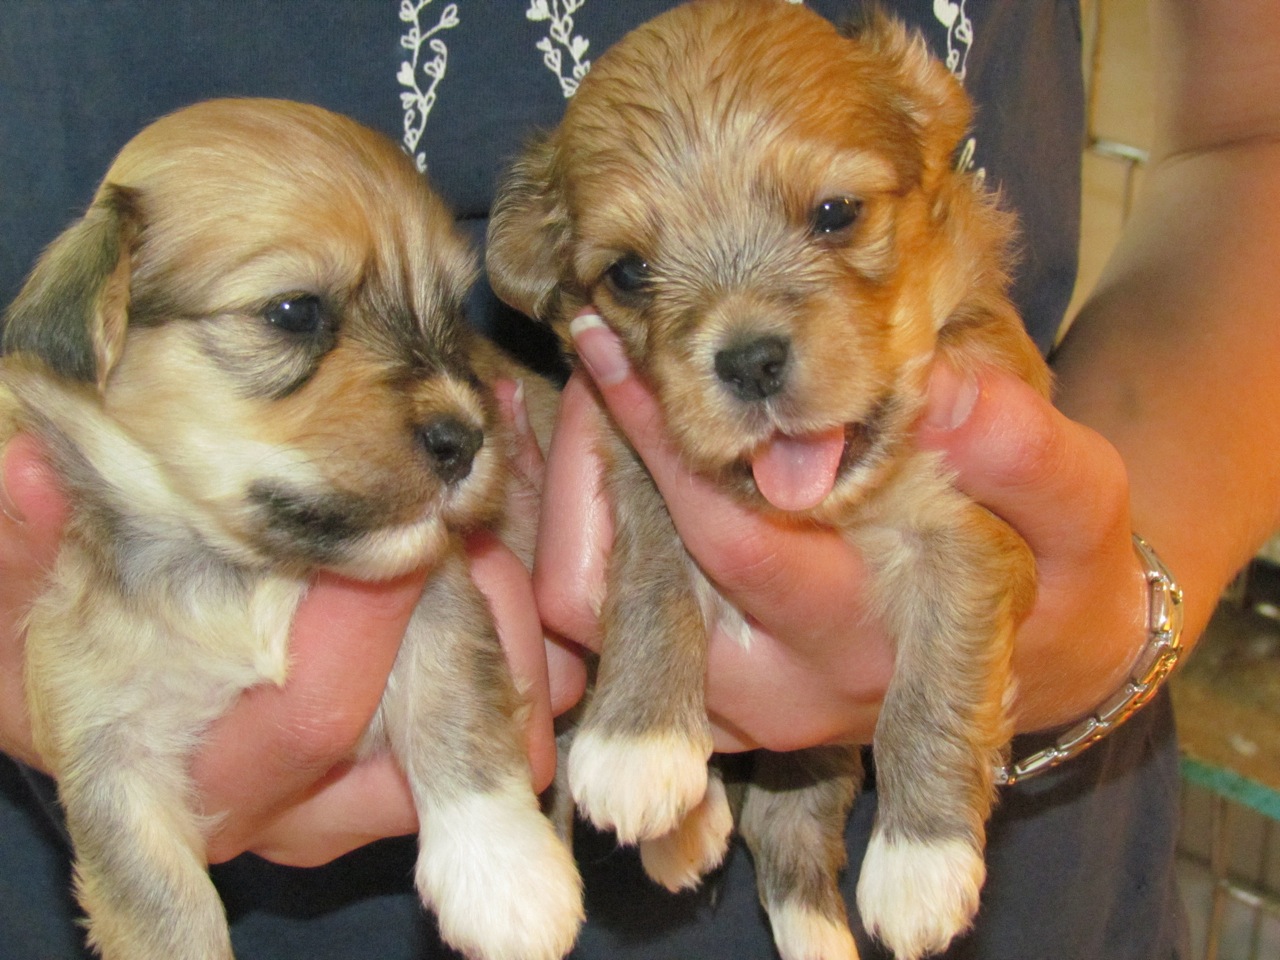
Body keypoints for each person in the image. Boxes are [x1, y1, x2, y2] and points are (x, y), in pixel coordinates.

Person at [1, 1, 1277, 957]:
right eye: (621, 277)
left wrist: (1125, 595)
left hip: (1031, 850)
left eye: (834, 218)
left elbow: (1251, 131)